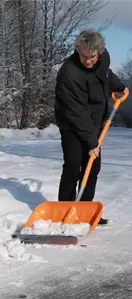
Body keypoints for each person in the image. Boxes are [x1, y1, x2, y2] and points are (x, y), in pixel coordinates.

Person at [54, 29, 128, 224]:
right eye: (84, 56)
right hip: (71, 123)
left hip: (94, 122)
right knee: (73, 164)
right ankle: (64, 210)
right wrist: (92, 142)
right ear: (78, 50)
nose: (88, 61)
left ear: (99, 52)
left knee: (92, 166)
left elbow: (104, 74)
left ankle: (84, 210)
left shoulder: (103, 59)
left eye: (92, 57)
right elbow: (76, 113)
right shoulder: (69, 73)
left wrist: (118, 86)